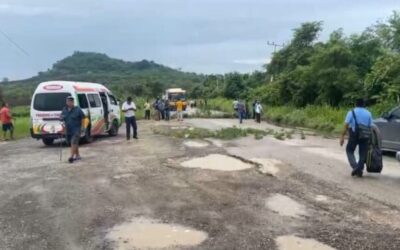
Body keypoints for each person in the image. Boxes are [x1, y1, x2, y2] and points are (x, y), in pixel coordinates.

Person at [340, 98, 372, 177]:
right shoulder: (368, 113)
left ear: (356, 104)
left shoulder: (351, 112)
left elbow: (346, 125)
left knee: (349, 150)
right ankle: (359, 169)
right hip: (365, 135)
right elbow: (370, 127)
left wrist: (342, 136)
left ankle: (356, 167)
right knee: (362, 153)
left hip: (354, 134)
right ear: (364, 104)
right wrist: (370, 138)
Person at [61, 96, 85, 163]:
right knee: (73, 143)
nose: (68, 103)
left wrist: (83, 127)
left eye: (69, 101)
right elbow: (62, 117)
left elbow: (83, 118)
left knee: (73, 142)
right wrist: (61, 118)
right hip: (68, 129)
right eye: (67, 101)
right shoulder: (64, 109)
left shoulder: (78, 109)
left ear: (72, 102)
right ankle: (78, 155)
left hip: (76, 129)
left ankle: (71, 157)